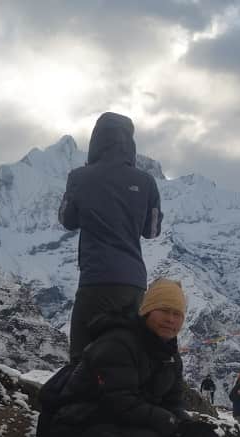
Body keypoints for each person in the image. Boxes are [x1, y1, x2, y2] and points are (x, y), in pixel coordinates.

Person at [49, 279, 217, 437]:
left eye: (177, 314)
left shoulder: (168, 354)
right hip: (76, 433)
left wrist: (187, 426)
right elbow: (119, 402)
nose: (171, 319)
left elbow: (172, 401)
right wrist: (171, 423)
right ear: (148, 310)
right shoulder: (118, 343)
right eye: (165, 311)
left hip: (116, 431)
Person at [59, 112, 164, 364]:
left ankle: (80, 401)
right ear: (130, 143)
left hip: (94, 280)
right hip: (133, 284)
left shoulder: (79, 178)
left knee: (82, 357)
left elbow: (67, 220)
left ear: (96, 140)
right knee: (127, 356)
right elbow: (152, 231)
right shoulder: (146, 181)